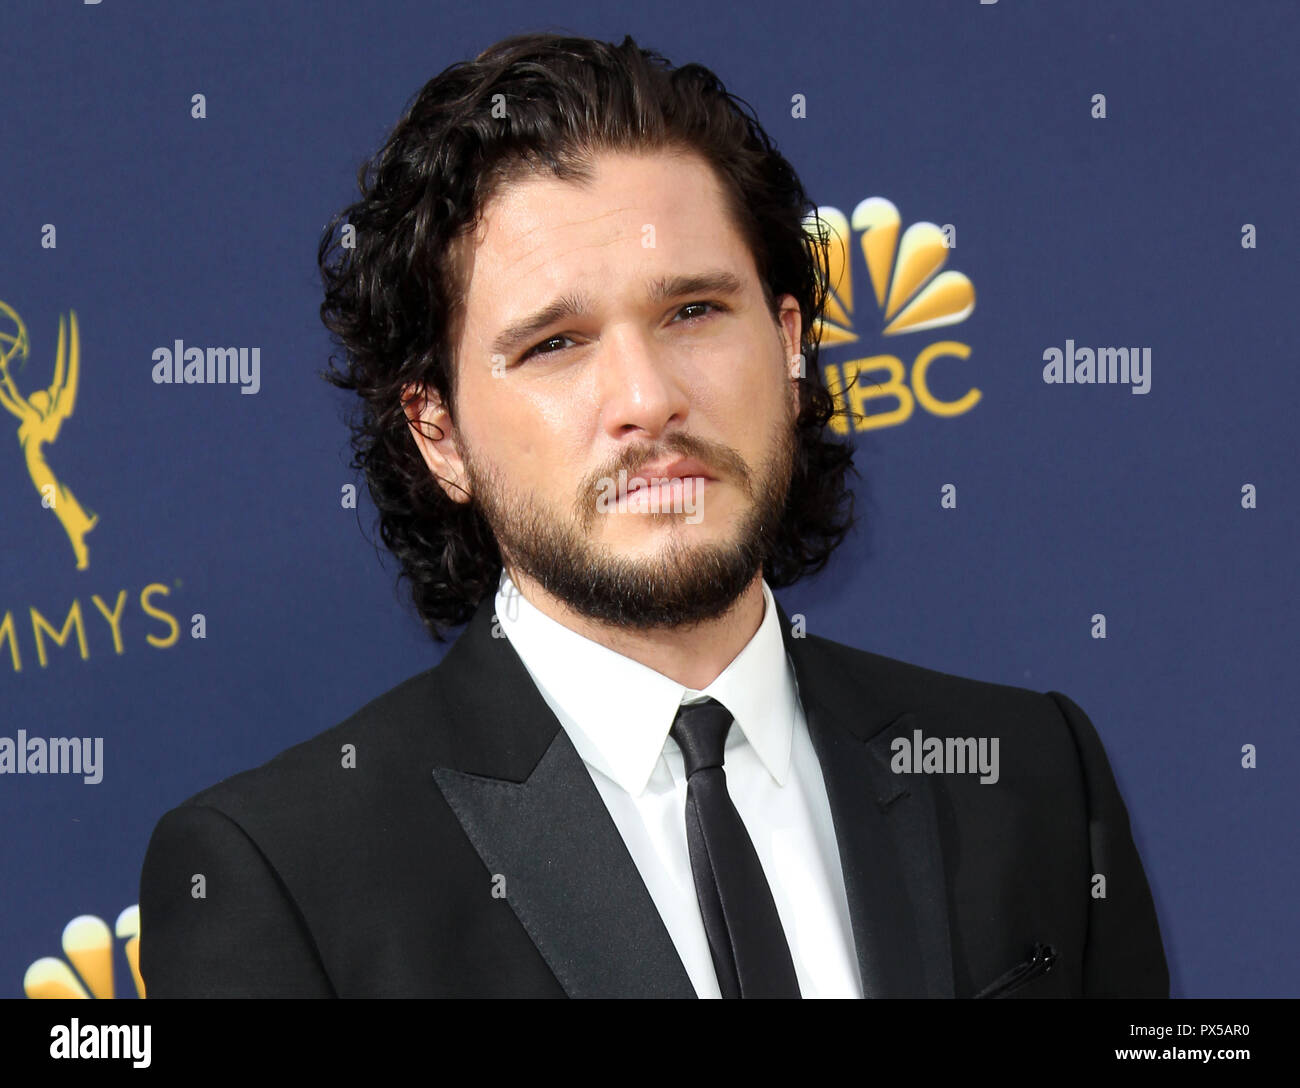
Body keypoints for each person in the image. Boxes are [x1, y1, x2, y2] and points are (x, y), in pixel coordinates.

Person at [138, 32, 1168, 998]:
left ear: (789, 344)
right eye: (555, 342)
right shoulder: (283, 874)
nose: (646, 397)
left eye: (692, 311)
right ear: (437, 431)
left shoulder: (1030, 770)